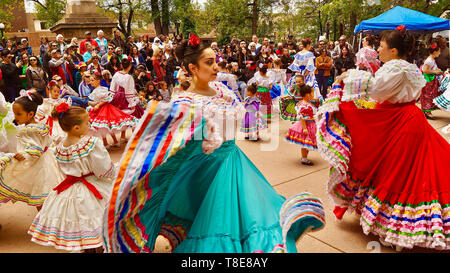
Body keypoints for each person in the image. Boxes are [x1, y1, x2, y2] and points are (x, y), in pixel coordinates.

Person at [102, 34, 325, 253]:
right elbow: (164, 143)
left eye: (215, 61)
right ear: (192, 68)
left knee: (244, 218)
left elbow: (240, 114)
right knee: (215, 222)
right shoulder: (184, 102)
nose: (216, 67)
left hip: (234, 161)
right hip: (205, 170)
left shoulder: (223, 90)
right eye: (209, 63)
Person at [317, 25, 450, 251]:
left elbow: (377, 91)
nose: (378, 50)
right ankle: (399, 230)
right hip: (410, 118)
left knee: (396, 173)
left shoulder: (395, 67)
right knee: (413, 171)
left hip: (399, 122)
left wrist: (350, 76)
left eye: (381, 46)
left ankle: (395, 231)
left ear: (394, 51)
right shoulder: (410, 67)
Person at [28, 104, 115, 253]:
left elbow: (64, 171)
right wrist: (112, 174)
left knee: (81, 227)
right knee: (98, 223)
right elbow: (103, 169)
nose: (89, 125)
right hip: (92, 188)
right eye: (86, 123)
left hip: (69, 189)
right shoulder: (91, 144)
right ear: (76, 127)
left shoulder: (60, 147)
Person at [0, 91, 64, 210]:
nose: (15, 117)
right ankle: (46, 218)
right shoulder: (39, 125)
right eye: (14, 113)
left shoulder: (28, 130)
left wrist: (24, 155)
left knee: (39, 193)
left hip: (39, 165)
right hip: (48, 159)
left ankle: (43, 220)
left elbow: (36, 149)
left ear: (30, 114)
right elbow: (47, 142)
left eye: (18, 114)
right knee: (42, 193)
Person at [87, 72, 136, 148]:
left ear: (98, 81)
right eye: (90, 80)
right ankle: (109, 142)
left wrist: (98, 105)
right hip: (101, 109)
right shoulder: (97, 90)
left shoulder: (101, 89)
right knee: (103, 126)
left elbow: (106, 99)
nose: (91, 82)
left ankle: (110, 142)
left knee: (105, 125)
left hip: (104, 109)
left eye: (92, 80)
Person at [285, 84, 319, 166]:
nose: (312, 95)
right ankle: (304, 158)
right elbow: (302, 117)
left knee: (307, 143)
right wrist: (304, 128)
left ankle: (305, 157)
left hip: (311, 124)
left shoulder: (306, 103)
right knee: (305, 143)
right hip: (307, 125)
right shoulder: (304, 105)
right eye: (311, 94)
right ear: (307, 94)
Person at [420, 43, 442, 119]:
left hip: (430, 80)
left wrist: (436, 70)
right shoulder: (429, 60)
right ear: (435, 52)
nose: (440, 53)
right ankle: (427, 111)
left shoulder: (431, 59)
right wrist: (435, 72)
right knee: (428, 96)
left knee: (429, 96)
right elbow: (425, 70)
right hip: (428, 81)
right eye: (439, 51)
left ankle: (427, 111)